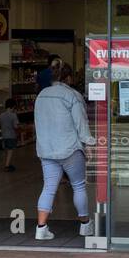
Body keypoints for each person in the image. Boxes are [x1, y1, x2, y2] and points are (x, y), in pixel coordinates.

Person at [33, 65, 95, 241]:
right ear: (68, 78)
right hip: (70, 148)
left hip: (47, 149)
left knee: (49, 187)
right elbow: (81, 123)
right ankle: (85, 225)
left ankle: (41, 228)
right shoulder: (72, 96)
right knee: (78, 185)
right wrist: (88, 143)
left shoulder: (41, 95)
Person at [0, 98, 20, 171]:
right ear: (13, 106)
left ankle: (8, 163)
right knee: (10, 151)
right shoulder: (13, 115)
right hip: (11, 136)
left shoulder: (1, 115)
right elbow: (15, 126)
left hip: (4, 136)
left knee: (6, 151)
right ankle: (7, 166)